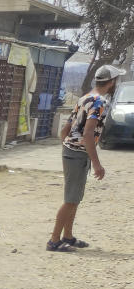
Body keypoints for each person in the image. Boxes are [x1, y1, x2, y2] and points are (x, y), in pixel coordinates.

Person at [47, 64, 126, 252]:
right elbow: (88, 134)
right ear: (112, 82)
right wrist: (97, 164)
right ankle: (54, 240)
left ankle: (67, 236)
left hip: (72, 152)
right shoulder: (100, 103)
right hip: (78, 154)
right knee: (71, 200)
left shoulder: (85, 98)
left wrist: (67, 148)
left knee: (75, 198)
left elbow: (65, 129)